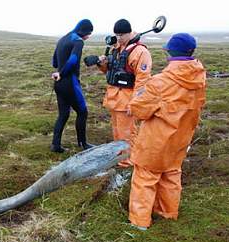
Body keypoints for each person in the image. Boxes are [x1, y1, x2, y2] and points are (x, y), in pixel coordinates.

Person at [127, 33, 207, 230]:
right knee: (171, 175)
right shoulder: (200, 79)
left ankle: (140, 222)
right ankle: (168, 215)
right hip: (180, 141)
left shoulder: (159, 82)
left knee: (145, 178)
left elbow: (138, 110)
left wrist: (138, 94)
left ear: (169, 52)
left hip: (155, 143)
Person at [96, 19, 152, 166]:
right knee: (117, 131)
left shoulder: (140, 52)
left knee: (127, 133)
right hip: (114, 99)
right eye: (117, 34)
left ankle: (128, 161)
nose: (119, 38)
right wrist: (102, 64)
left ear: (129, 33)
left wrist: (135, 103)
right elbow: (110, 72)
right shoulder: (117, 48)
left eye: (121, 35)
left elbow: (142, 80)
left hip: (127, 100)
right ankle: (120, 156)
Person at [50, 19, 94, 153]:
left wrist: (59, 72)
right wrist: (62, 73)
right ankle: (83, 144)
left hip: (58, 84)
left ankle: (55, 145)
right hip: (70, 82)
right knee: (82, 112)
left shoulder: (63, 39)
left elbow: (54, 61)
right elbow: (73, 60)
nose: (88, 36)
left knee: (63, 114)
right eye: (89, 33)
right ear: (84, 31)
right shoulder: (78, 41)